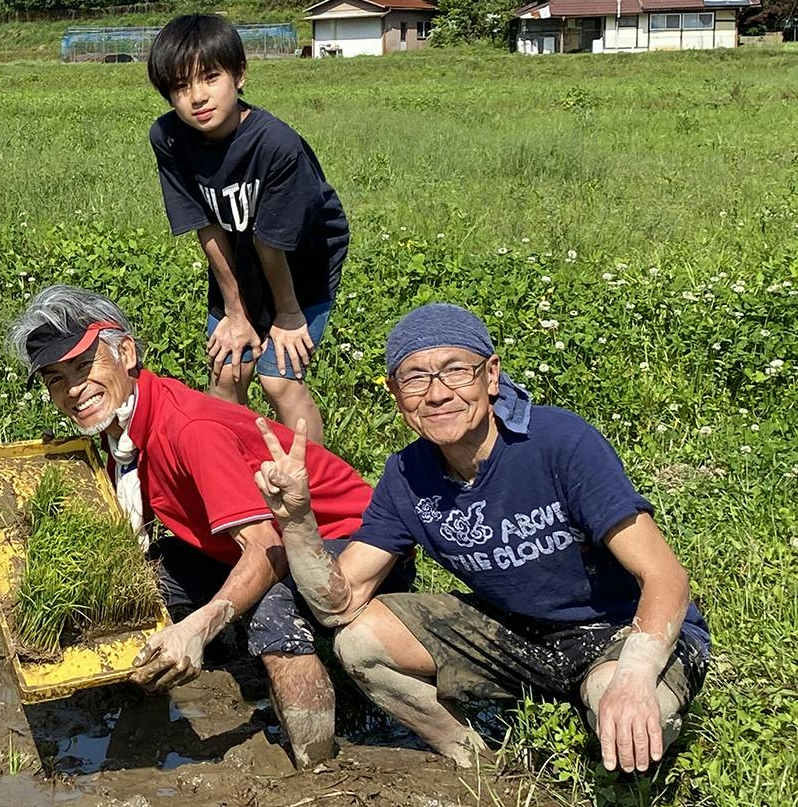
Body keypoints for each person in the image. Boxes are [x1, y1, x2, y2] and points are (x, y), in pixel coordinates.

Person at [252, 303, 709, 773]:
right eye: (415, 378)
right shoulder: (408, 476)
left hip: (617, 629)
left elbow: (665, 575)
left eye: (455, 371)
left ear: (490, 376)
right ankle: (478, 762)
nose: (436, 394)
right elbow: (338, 604)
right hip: (517, 632)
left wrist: (633, 676)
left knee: (623, 707)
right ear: (395, 393)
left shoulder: (559, 443)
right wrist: (299, 522)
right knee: (359, 641)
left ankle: (616, 786)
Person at [6, 285, 407, 768]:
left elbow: (267, 548)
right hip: (251, 543)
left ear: (126, 353)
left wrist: (201, 625)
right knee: (146, 578)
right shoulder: (122, 434)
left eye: (84, 365)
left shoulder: (190, 430)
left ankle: (317, 766)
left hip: (350, 542)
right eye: (56, 378)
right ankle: (143, 705)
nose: (72, 389)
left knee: (272, 609)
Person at [145, 14, 349, 445]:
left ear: (239, 75)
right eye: (181, 87)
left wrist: (288, 315)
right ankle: (227, 483)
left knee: (280, 380)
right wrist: (236, 313)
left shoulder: (276, 145)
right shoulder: (168, 138)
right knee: (227, 370)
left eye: (210, 77)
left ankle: (313, 485)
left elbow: (271, 243)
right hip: (238, 253)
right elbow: (205, 225)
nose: (197, 97)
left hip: (302, 259)